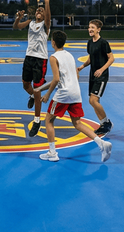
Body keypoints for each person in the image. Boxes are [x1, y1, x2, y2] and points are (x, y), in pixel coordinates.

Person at [36, 30, 112, 163]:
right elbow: (75, 75)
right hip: (75, 93)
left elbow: (56, 79)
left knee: (49, 120)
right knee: (77, 123)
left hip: (63, 94)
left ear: (53, 42)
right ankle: (102, 144)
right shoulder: (69, 55)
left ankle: (52, 153)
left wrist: (47, 94)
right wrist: (41, 89)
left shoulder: (54, 58)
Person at [12, 0, 51, 137]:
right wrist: (19, 18)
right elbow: (16, 26)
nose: (39, 11)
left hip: (40, 60)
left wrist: (46, 2)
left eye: (41, 10)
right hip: (29, 57)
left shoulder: (46, 25)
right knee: (25, 85)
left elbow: (48, 17)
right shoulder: (31, 22)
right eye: (37, 10)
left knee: (37, 89)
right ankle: (34, 97)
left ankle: (37, 121)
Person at [76, 19, 115, 137]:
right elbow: (91, 58)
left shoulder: (103, 43)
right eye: (89, 27)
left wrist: (101, 70)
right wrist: (82, 67)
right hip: (92, 74)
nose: (90, 29)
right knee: (93, 101)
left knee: (93, 100)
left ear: (98, 29)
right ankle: (103, 124)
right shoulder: (90, 42)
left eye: (93, 27)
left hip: (101, 75)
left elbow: (111, 58)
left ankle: (107, 123)